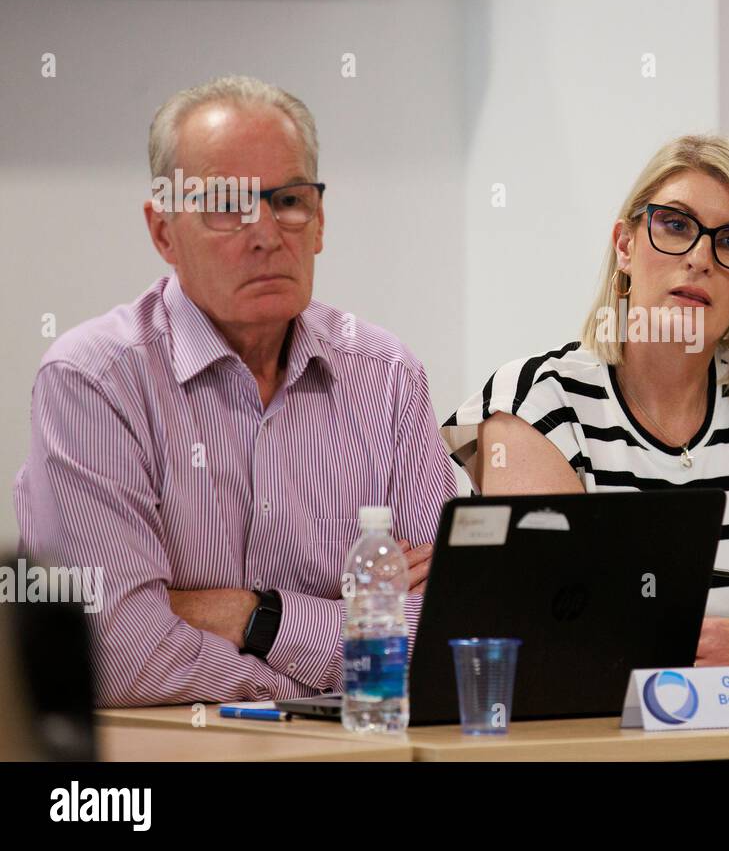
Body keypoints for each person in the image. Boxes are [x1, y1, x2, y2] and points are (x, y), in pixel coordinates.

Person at [15, 75, 459, 707]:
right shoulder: (93, 380)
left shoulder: (385, 375)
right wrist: (313, 678)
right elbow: (116, 655)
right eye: (227, 205)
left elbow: (443, 629)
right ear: (163, 231)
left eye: (288, 200)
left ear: (320, 221)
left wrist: (257, 618)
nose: (266, 232)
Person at [442, 134, 729, 667]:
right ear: (625, 246)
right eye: (675, 225)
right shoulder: (538, 403)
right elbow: (558, 628)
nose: (700, 258)